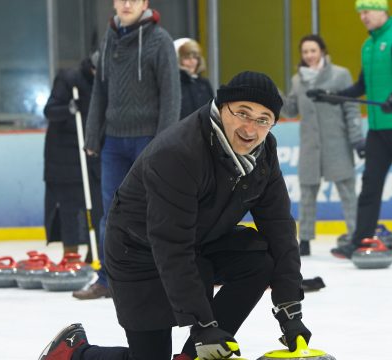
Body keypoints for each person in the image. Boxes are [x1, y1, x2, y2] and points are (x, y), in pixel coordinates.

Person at [38, 71, 311, 360]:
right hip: (138, 251)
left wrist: (290, 308)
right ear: (221, 107)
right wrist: (204, 325)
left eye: (263, 119)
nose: (250, 128)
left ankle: (192, 356)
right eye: (242, 113)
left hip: (199, 240)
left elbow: (279, 229)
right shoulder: (179, 152)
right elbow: (171, 244)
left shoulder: (263, 153)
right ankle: (73, 353)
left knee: (259, 259)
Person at [308, 0, 392, 262]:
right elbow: (361, 86)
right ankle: (360, 240)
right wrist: (332, 96)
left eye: (367, 11)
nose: (363, 17)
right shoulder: (368, 46)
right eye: (360, 13)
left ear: (382, 10)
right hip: (379, 127)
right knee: (370, 185)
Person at [78, 0, 180, 300]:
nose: (126, 4)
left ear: (145, 3)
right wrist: (93, 135)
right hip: (113, 142)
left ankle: (151, 279)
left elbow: (171, 95)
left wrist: (164, 143)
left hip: (148, 141)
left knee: (151, 213)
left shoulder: (160, 40)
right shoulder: (109, 38)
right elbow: (100, 90)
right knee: (110, 213)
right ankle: (107, 279)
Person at [281, 34, 364, 256]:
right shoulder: (297, 80)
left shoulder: (340, 75)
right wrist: (275, 97)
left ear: (322, 51)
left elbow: (350, 108)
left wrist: (357, 139)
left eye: (313, 51)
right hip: (310, 145)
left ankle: (356, 235)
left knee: (347, 191)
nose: (309, 55)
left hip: (337, 142)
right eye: (305, 52)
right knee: (307, 192)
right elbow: (290, 110)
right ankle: (305, 239)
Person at [42, 52, 102, 262]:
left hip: (93, 154)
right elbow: (50, 111)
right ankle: (71, 254)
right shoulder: (70, 78)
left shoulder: (108, 81)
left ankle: (94, 252)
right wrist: (69, 109)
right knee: (69, 207)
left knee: (96, 205)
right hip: (64, 157)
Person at [174, 38, 215, 119]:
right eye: (187, 58)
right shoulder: (175, 85)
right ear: (178, 60)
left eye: (195, 57)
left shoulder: (204, 84)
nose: (192, 61)